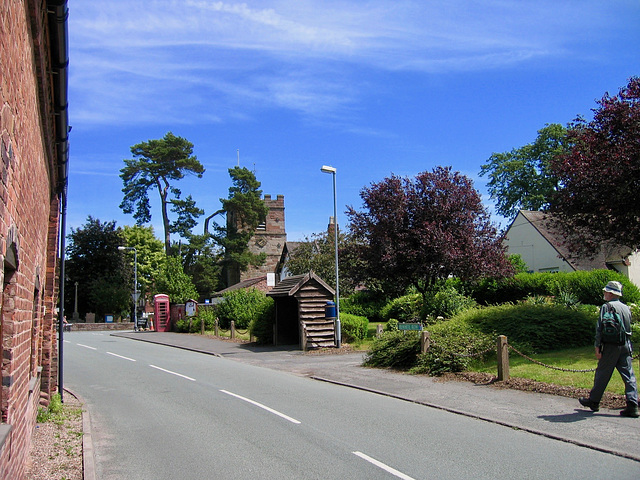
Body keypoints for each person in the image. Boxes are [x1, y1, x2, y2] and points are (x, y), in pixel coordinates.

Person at [579, 280, 638, 418]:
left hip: (610, 345)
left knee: (602, 374)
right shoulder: (626, 307)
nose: (604, 293)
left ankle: (594, 401)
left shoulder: (607, 307)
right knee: (629, 375)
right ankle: (633, 405)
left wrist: (597, 346)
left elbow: (600, 328)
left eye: (606, 291)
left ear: (610, 293)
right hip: (625, 344)